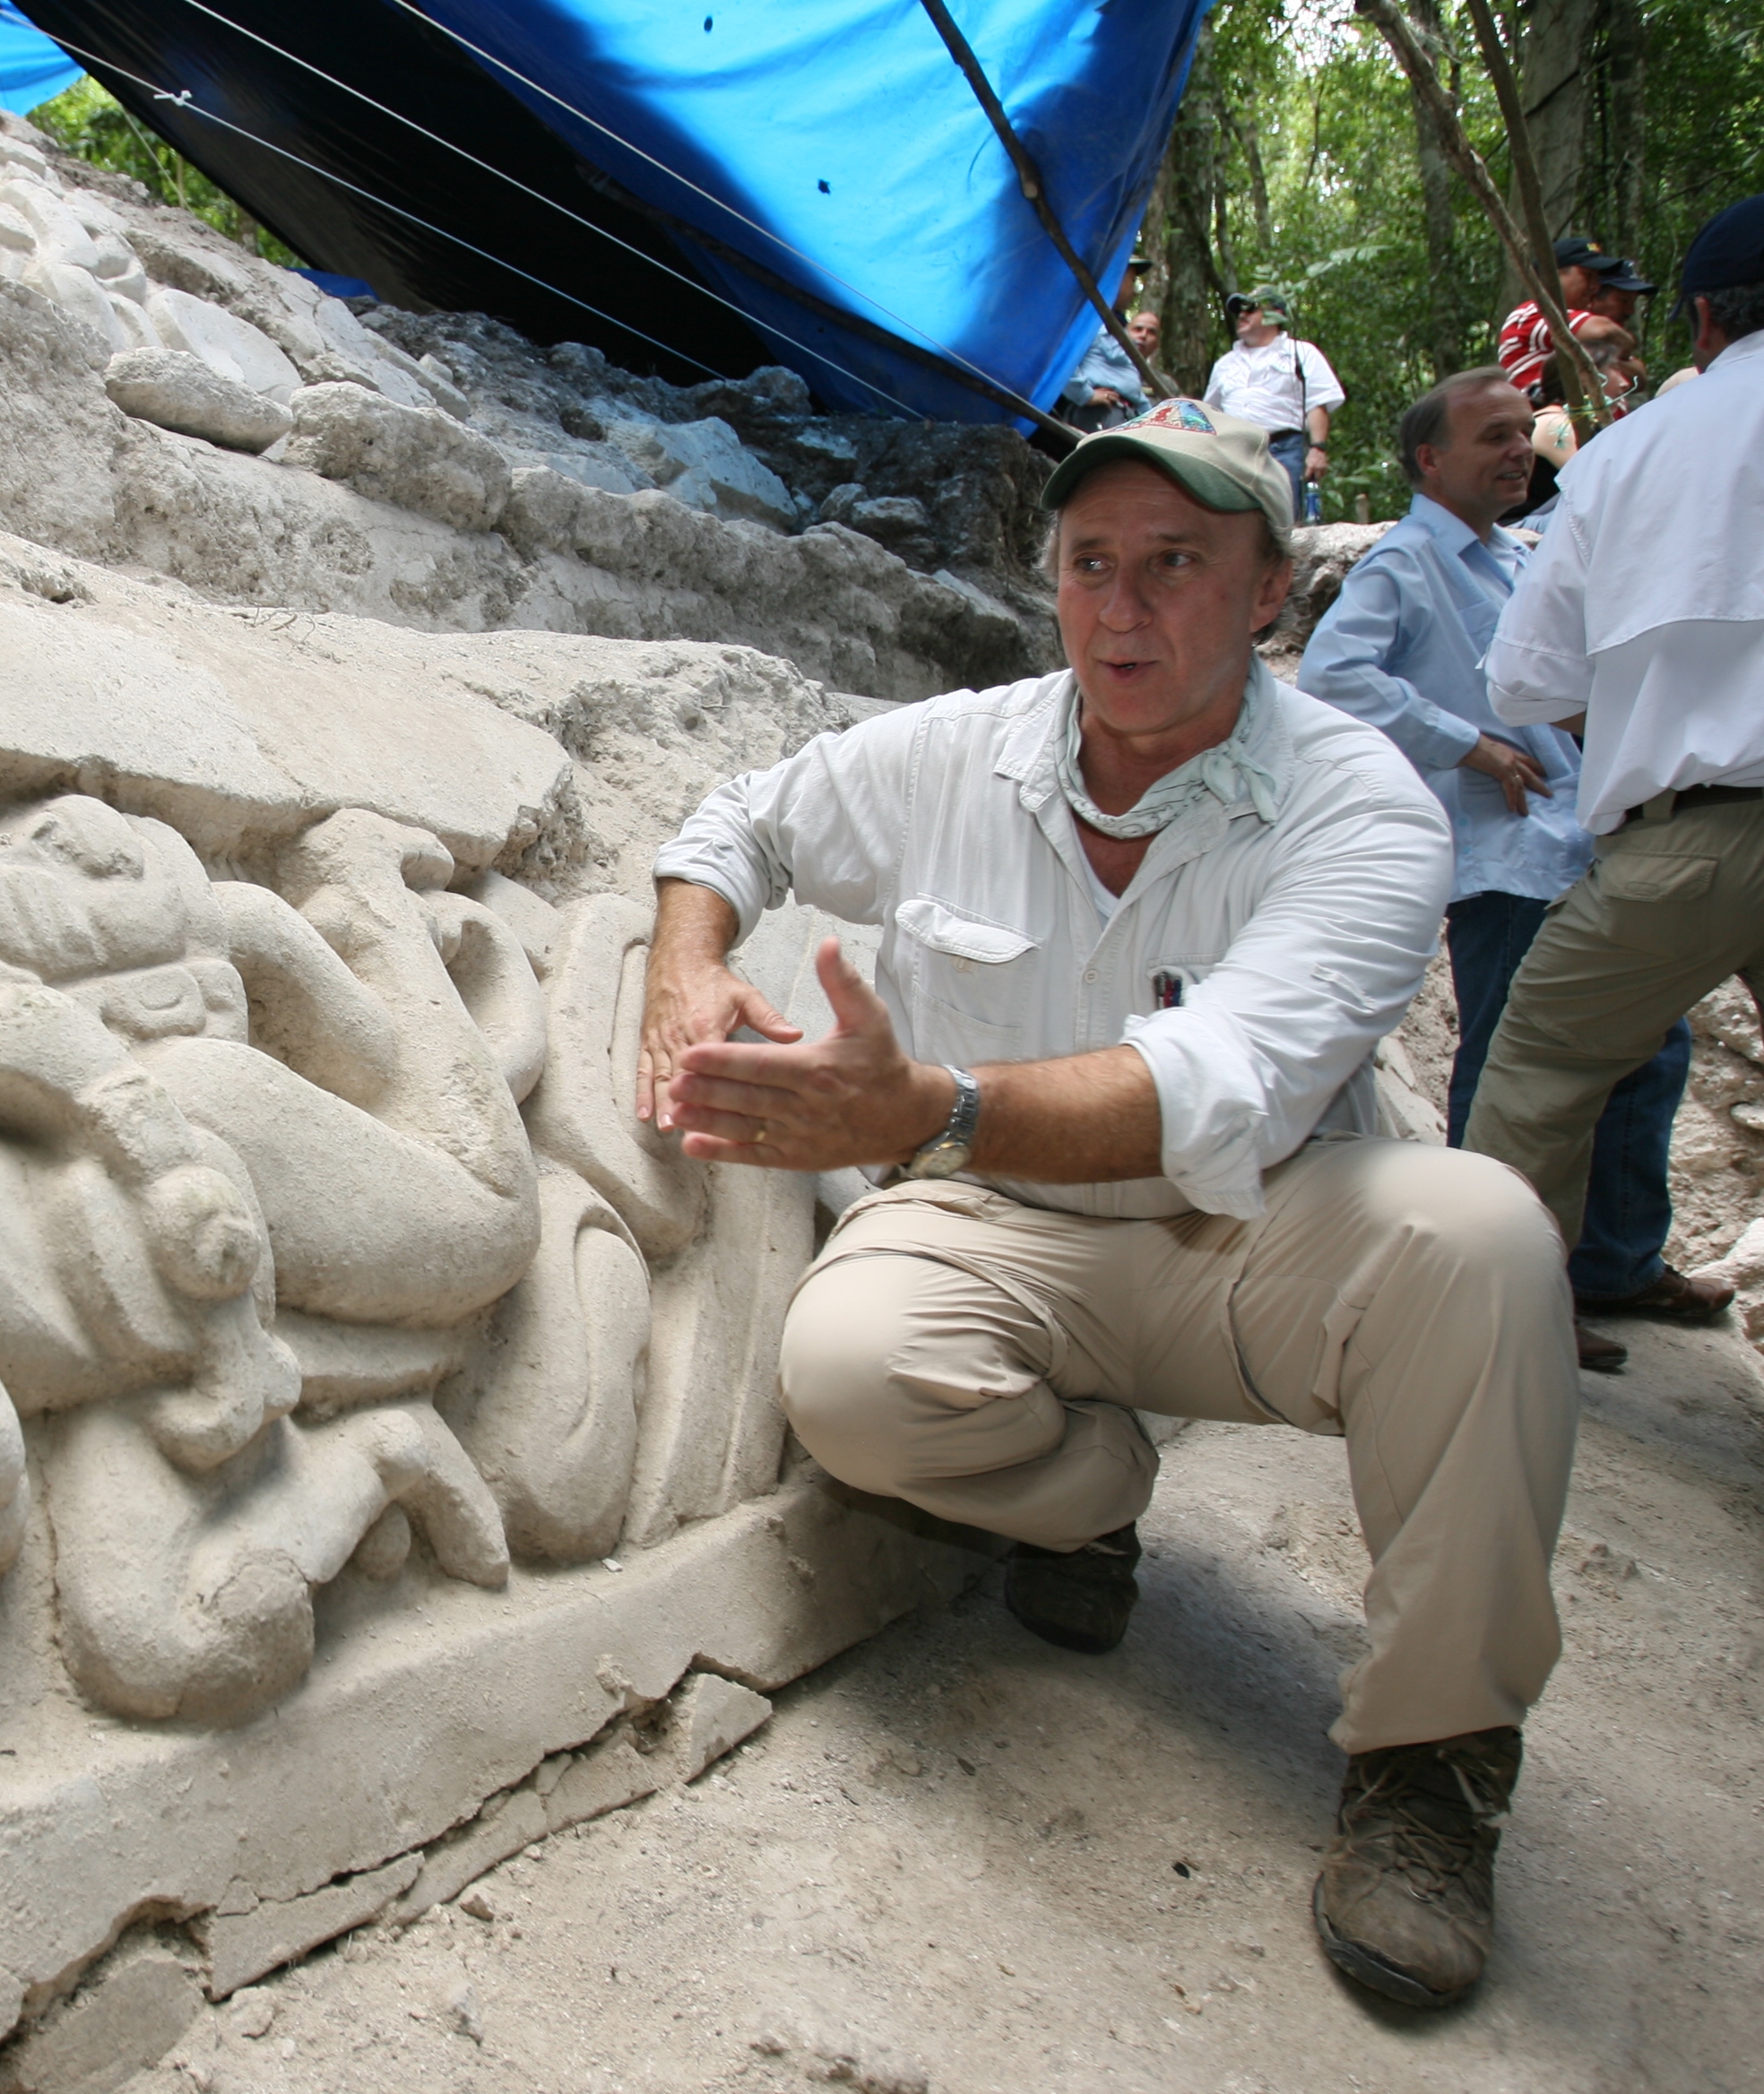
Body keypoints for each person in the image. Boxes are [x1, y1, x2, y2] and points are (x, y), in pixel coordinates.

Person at [638, 400, 1577, 2008]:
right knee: (849, 1373)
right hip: (992, 1217)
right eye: (1088, 564)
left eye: (1172, 564)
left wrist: (925, 1106)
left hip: (1249, 1232)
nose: (1120, 608)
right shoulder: (963, 747)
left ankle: (1430, 1760)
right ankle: (1087, 1502)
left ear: (1267, 589)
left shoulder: (1360, 806)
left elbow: (1224, 1083)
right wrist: (686, 966)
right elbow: (736, 818)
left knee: (1478, 1238)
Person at [1463, 189, 1764, 1640]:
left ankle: (1462, 1410)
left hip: (1675, 845)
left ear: (1699, 321)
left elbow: (1521, 685)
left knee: (1529, 1087)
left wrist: (1660, 707)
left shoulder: (1634, 454)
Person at [1298, 370, 1730, 1371]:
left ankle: (1616, 1259)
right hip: (1501, 861)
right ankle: (1512, 1280)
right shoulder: (1404, 564)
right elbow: (1335, 675)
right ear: (1428, 461)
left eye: (1520, 437)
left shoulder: (1514, 554)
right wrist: (1469, 744)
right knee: (1513, 1071)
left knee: (1652, 1046)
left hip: (1578, 842)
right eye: (1491, 437)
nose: (1516, 453)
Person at [1203, 290, 1343, 518]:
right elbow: (1211, 413)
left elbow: (1318, 403)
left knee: (1284, 524)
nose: (1242, 315)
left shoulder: (1301, 353)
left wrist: (1318, 448)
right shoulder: (1225, 363)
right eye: (1239, 311)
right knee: (1233, 522)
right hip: (1233, 452)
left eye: (1251, 308)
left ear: (1276, 314)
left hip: (1283, 450)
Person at [1498, 237, 1656, 402]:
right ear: (1552, 275)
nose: (1595, 286)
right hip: (1551, 424)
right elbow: (1606, 332)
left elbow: (1639, 378)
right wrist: (1610, 358)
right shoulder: (1531, 313)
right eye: (1587, 275)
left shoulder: (1578, 326)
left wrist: (1606, 362)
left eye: (1597, 278)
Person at [1061, 265, 1153, 431]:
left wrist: (1153, 419)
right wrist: (1085, 395)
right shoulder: (1088, 319)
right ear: (1116, 278)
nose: (1134, 291)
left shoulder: (1116, 326)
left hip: (1125, 413)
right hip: (1102, 412)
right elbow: (1061, 357)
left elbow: (1131, 384)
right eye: (1132, 281)